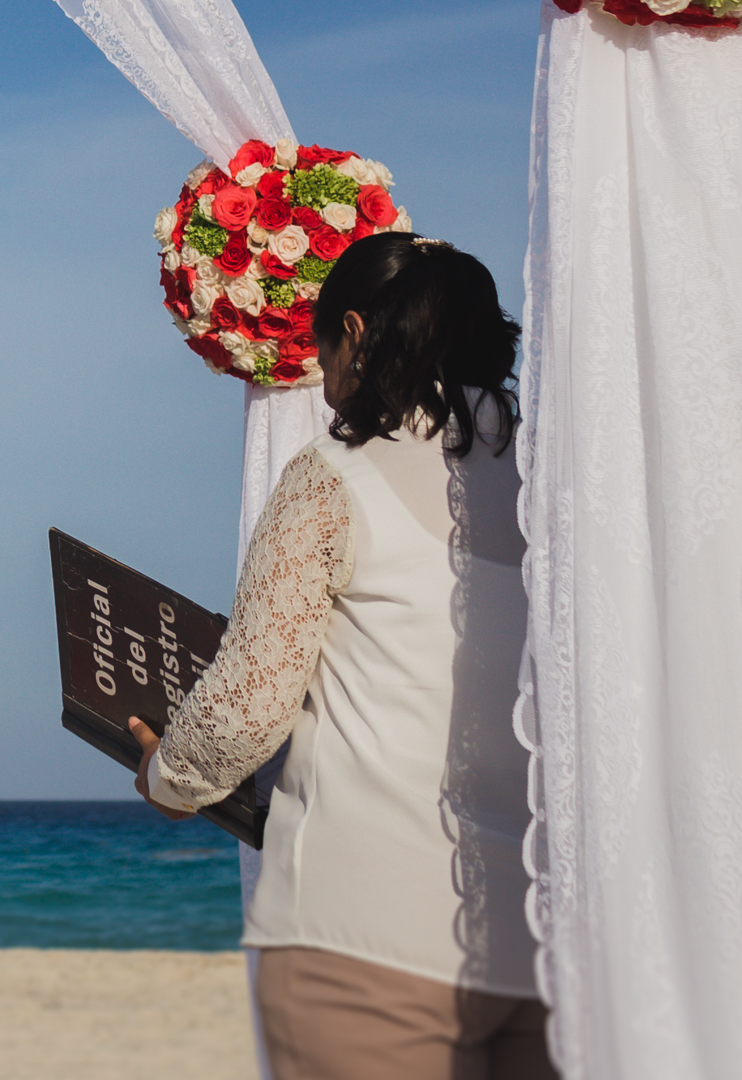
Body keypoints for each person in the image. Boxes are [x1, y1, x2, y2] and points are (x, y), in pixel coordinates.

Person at [129, 233, 552, 1080]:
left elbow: (249, 707)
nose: (325, 382)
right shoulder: (560, 481)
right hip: (541, 946)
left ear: (354, 332)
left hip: (363, 932)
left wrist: (169, 777)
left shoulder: (333, 475)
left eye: (325, 353)